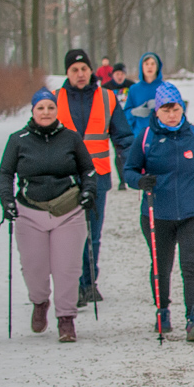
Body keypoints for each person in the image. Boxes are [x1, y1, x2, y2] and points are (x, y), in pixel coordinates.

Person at [123, 82, 194, 342]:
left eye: (176, 109)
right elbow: (129, 171)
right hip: (158, 214)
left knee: (191, 265)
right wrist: (140, 182)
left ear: (182, 109)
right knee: (161, 266)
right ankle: (163, 309)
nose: (171, 114)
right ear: (157, 111)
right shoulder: (146, 138)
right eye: (166, 109)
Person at [0, 88, 99, 343]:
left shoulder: (71, 138)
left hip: (68, 210)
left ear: (57, 110)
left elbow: (88, 170)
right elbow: (5, 173)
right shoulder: (17, 139)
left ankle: (66, 319)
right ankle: (40, 302)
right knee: (34, 268)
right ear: (32, 111)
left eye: (50, 108)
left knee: (67, 268)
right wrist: (7, 201)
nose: (45, 112)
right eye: (40, 108)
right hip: (29, 212)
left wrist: (89, 192)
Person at [56, 49, 133, 305]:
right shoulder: (55, 99)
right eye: (74, 70)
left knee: (93, 233)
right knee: (68, 235)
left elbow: (122, 137)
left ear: (92, 71)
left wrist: (135, 165)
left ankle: (90, 283)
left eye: (84, 69)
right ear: (67, 73)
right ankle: (74, 285)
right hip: (65, 179)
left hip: (98, 176)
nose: (80, 74)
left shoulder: (108, 98)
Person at [102, 64, 132, 190]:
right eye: (117, 74)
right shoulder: (106, 88)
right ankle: (122, 180)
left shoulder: (131, 86)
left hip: (129, 123)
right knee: (118, 152)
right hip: (112, 124)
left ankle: (130, 176)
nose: (120, 77)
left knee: (128, 151)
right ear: (113, 75)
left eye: (122, 74)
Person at [124, 52, 165, 142]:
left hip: (162, 137)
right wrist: (134, 112)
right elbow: (125, 114)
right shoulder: (134, 89)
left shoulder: (165, 87)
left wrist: (162, 103)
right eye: (146, 64)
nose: (149, 67)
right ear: (141, 67)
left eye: (152, 64)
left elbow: (180, 107)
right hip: (140, 137)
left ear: (158, 67)